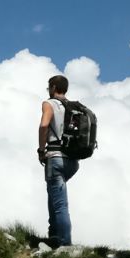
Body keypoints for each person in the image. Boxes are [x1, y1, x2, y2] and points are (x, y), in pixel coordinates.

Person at [37, 75, 80, 246]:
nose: (48, 90)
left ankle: (64, 245)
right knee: (54, 195)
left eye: (49, 87)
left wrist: (41, 150)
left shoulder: (49, 104)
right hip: (73, 161)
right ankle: (53, 235)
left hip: (55, 158)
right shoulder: (74, 107)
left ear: (54, 87)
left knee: (60, 204)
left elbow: (44, 125)